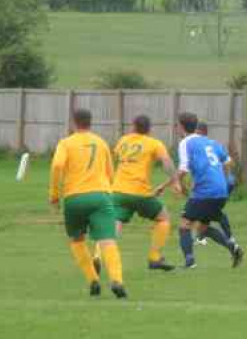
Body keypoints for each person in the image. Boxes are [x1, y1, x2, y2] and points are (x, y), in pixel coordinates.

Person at [48, 108, 127, 298]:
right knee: (107, 240)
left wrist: (54, 195)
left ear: (73, 123)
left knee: (77, 240)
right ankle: (117, 280)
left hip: (74, 198)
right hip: (100, 196)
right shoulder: (101, 143)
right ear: (90, 122)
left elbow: (58, 165)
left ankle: (93, 280)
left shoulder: (66, 143)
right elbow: (110, 173)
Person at [98, 114, 180, 271]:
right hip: (140, 192)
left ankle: (98, 256)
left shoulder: (123, 140)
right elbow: (167, 163)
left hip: (118, 191)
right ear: (149, 129)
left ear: (133, 126)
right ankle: (155, 258)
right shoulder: (154, 143)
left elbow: (113, 159)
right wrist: (175, 181)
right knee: (163, 218)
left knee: (114, 225)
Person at [175, 112, 243, 269]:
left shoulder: (186, 143)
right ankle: (234, 248)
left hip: (205, 191)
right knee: (203, 228)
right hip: (221, 191)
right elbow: (228, 162)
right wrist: (223, 181)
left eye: (177, 125)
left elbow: (183, 168)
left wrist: (176, 183)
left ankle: (189, 262)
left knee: (185, 225)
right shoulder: (211, 142)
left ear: (181, 126)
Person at [194, 121, 237, 246]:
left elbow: (228, 163)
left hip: (221, 185)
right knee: (208, 211)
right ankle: (201, 237)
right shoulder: (214, 144)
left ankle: (229, 239)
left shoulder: (202, 146)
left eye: (196, 133)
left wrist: (223, 178)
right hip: (224, 183)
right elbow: (229, 161)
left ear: (202, 132)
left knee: (215, 212)